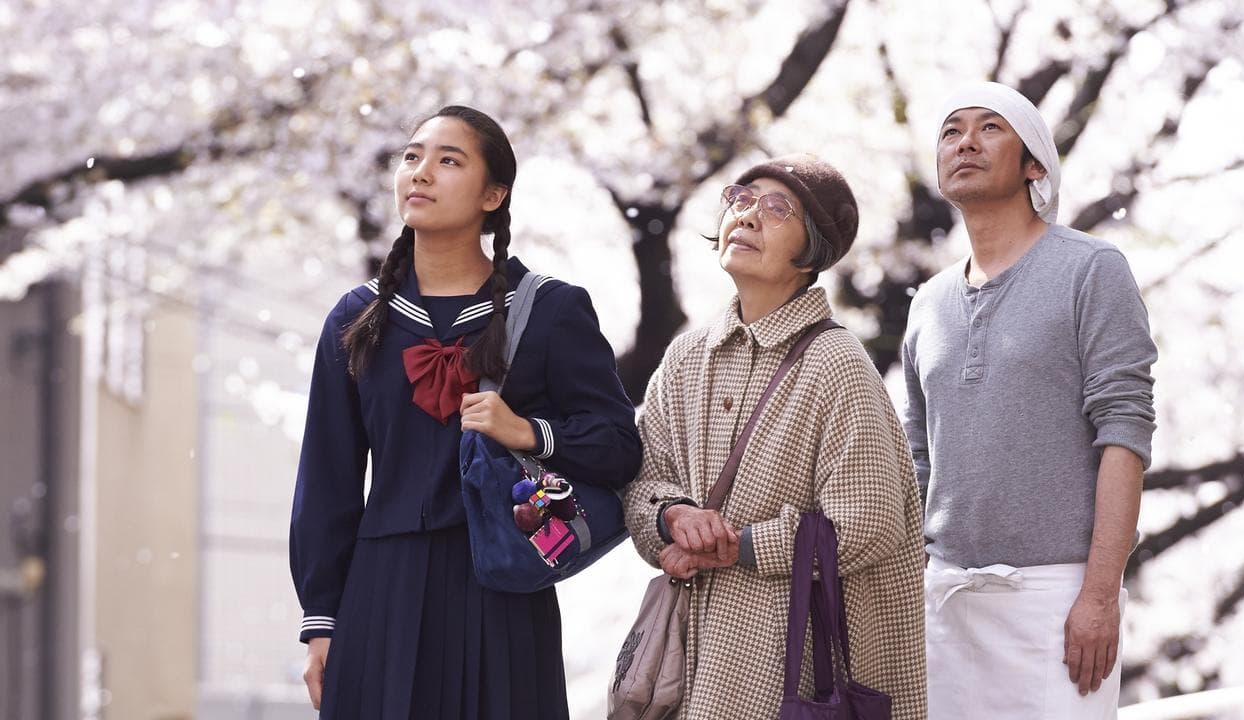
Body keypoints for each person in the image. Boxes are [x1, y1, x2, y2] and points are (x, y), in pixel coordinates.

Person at [289, 105, 641, 719]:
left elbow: (619, 444)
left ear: (493, 194)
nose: (420, 173)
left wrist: (528, 432)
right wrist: (322, 621)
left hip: (502, 584)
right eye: (412, 157)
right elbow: (327, 479)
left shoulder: (552, 310)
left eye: (449, 161)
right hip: (380, 590)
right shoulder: (357, 318)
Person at [622, 154, 927, 719]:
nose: (747, 215)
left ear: (812, 248)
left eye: (776, 208)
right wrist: (673, 518)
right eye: (740, 199)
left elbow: (870, 520)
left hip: (792, 668)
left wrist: (740, 544)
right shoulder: (687, 354)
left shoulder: (838, 362)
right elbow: (644, 476)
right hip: (687, 663)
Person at [902, 81, 1158, 719]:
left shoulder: (1091, 269)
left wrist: (1101, 595)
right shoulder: (928, 303)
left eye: (990, 128)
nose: (965, 141)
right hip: (944, 602)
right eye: (951, 130)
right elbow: (918, 459)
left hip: (1060, 599)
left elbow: (1125, 432)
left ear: (1034, 164)